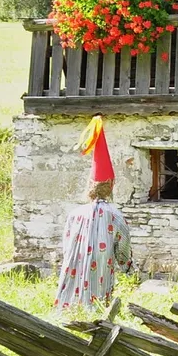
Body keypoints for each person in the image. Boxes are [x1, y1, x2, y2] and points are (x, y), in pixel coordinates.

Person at [55, 116, 133, 310]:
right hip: (100, 260)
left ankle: (69, 309)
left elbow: (66, 243)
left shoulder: (75, 213)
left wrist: (70, 256)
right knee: (98, 296)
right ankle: (95, 313)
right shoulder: (114, 214)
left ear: (90, 186)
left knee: (72, 300)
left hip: (75, 259)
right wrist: (127, 266)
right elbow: (122, 244)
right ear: (111, 185)